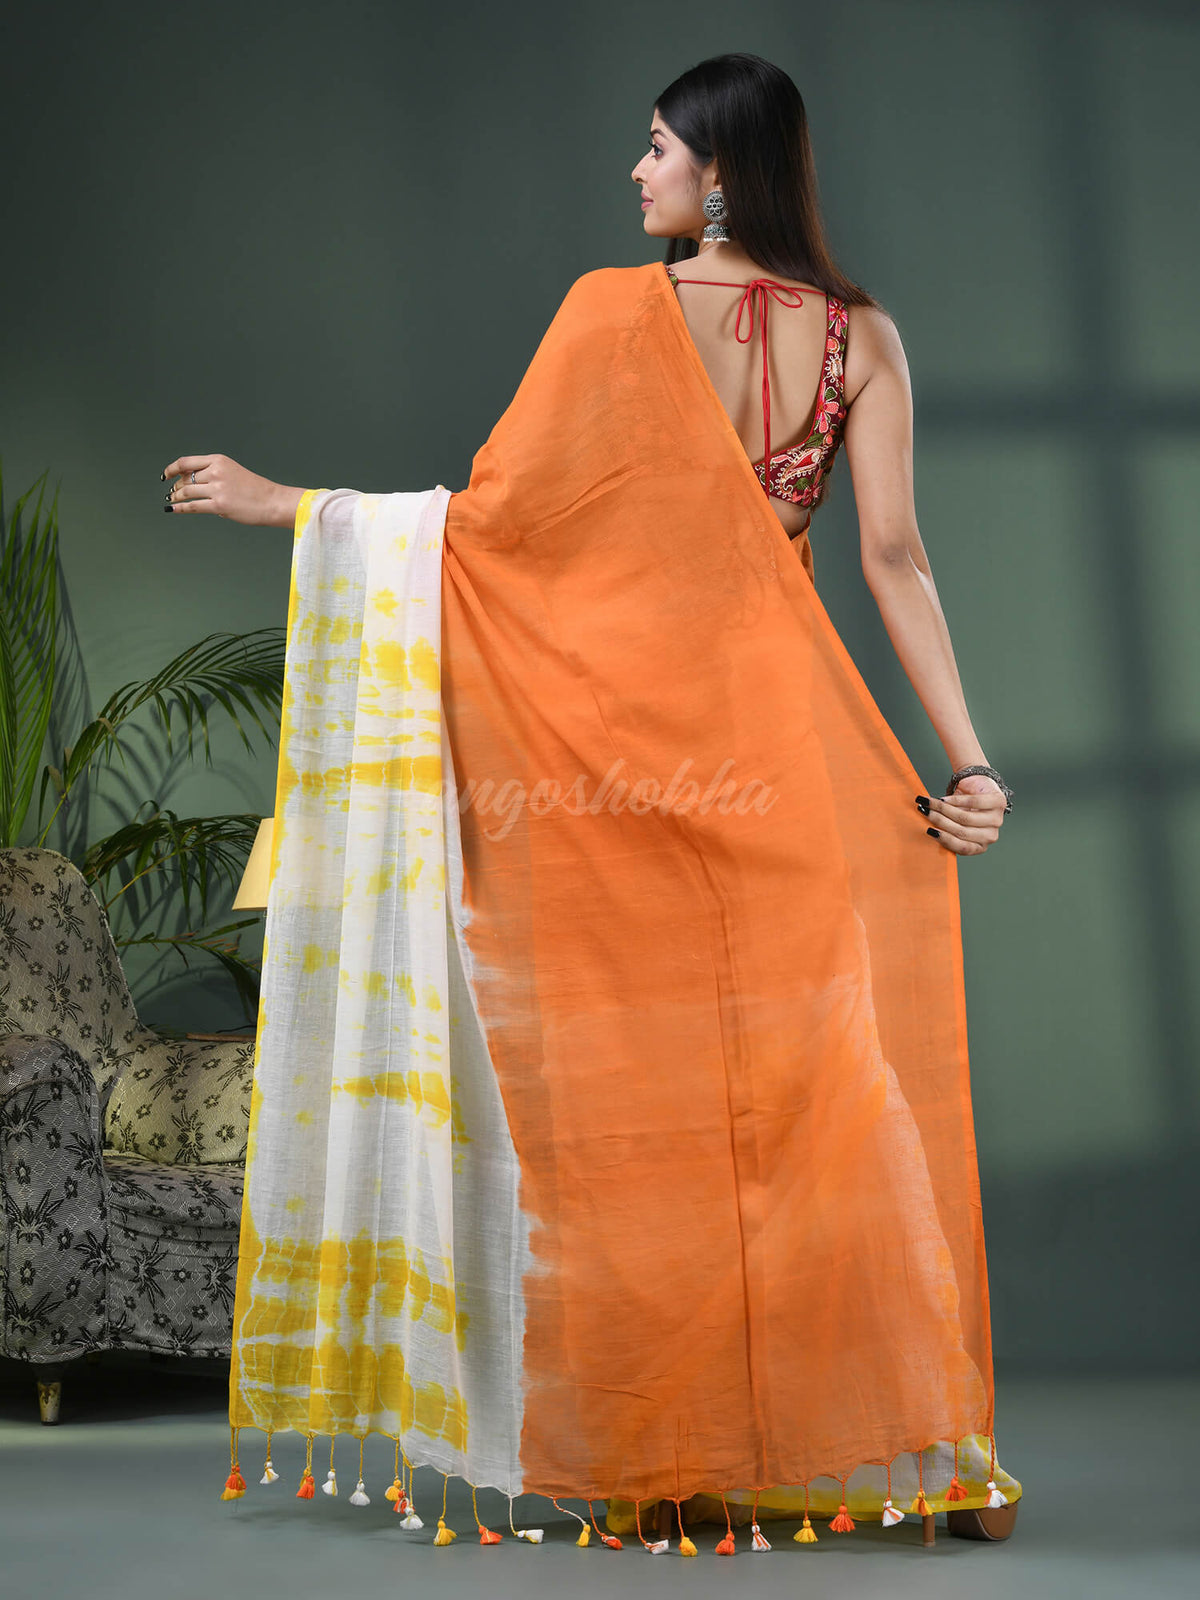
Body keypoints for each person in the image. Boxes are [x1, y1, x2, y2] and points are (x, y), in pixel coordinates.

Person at [166, 51, 1020, 1553]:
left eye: (659, 149)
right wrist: (969, 761)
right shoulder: (861, 335)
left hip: (609, 765)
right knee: (818, 1104)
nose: (639, 172)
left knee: (642, 1122)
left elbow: (493, 536)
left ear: (721, 173)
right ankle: (935, 1453)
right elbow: (895, 559)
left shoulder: (610, 314)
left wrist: (290, 505)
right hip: (779, 757)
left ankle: (671, 1457)